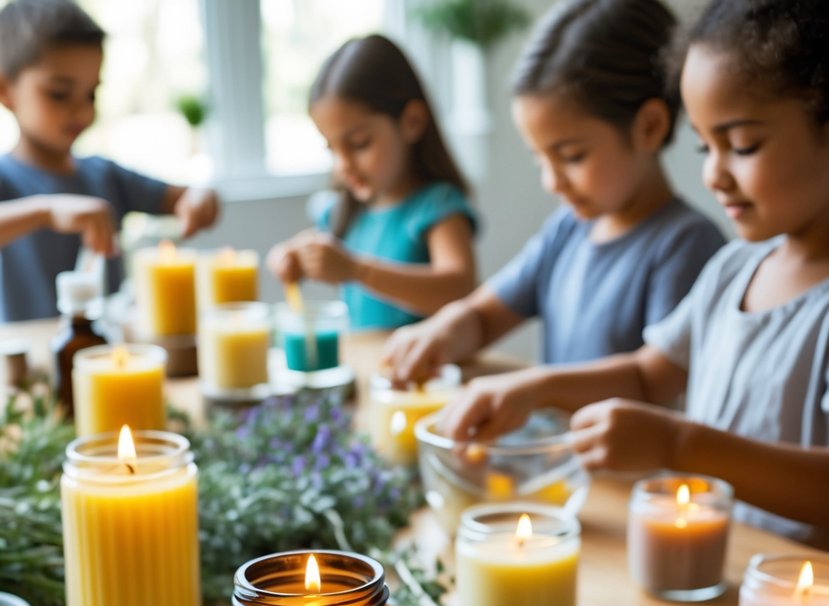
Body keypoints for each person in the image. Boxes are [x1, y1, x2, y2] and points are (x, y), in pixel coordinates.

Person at [437, 0, 829, 545]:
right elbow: (649, 375)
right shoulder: (732, 270)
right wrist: (533, 388)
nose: (714, 174)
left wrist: (677, 444)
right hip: (707, 570)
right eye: (704, 146)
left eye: (742, 145)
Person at [383, 0, 724, 382]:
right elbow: (482, 318)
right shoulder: (567, 231)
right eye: (539, 159)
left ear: (649, 127)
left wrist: (536, 388)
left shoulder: (687, 246)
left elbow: (654, 383)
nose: (552, 182)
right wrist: (443, 331)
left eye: (572, 156)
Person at [0, 0, 219, 321]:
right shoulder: (6, 180)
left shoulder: (105, 175)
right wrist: (46, 211)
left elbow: (190, 195)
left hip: (109, 356)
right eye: (59, 93)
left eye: (91, 94)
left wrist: (202, 197)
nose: (82, 110)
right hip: (30, 366)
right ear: (6, 90)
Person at [266, 33, 477, 331]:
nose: (343, 165)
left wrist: (356, 270)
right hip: (368, 368)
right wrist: (291, 256)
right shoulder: (346, 210)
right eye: (332, 149)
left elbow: (460, 288)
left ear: (412, 122)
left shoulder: (437, 205)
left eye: (359, 143)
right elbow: (315, 246)